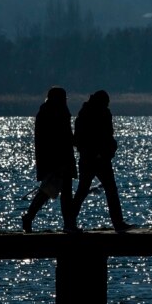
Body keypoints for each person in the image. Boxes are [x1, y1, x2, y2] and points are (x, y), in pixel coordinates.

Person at [69, 90, 131, 231]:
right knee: (107, 190)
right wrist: (99, 152)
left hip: (93, 158)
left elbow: (81, 138)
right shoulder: (94, 114)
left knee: (84, 190)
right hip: (95, 158)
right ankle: (118, 223)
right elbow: (97, 136)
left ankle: (70, 222)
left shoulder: (85, 113)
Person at [21, 87, 75, 232]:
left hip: (57, 159)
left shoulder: (48, 111)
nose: (65, 100)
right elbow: (56, 139)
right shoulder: (54, 113)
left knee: (50, 192)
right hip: (58, 160)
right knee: (57, 193)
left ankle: (30, 217)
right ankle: (68, 225)